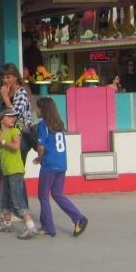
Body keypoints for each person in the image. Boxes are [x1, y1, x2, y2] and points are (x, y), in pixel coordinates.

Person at [31, 97, 87, 237]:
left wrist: (40, 158)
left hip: (49, 165)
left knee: (43, 195)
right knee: (57, 194)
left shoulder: (43, 125)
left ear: (42, 109)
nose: (35, 110)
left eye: (37, 108)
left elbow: (41, 146)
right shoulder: (58, 123)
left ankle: (48, 227)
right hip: (61, 164)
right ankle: (78, 217)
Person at [0, 107, 38, 238]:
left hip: (15, 170)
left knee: (17, 199)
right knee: (4, 197)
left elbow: (16, 146)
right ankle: (6, 222)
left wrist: (2, 141)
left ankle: (30, 226)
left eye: (14, 116)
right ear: (1, 119)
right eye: (9, 116)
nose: (13, 118)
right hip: (5, 170)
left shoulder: (15, 131)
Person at [0, 63, 34, 162]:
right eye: (3, 78)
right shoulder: (7, 91)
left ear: (15, 77)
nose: (5, 80)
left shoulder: (21, 93)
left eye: (8, 77)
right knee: (3, 169)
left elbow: (15, 114)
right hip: (11, 133)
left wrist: (5, 97)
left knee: (17, 169)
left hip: (22, 133)